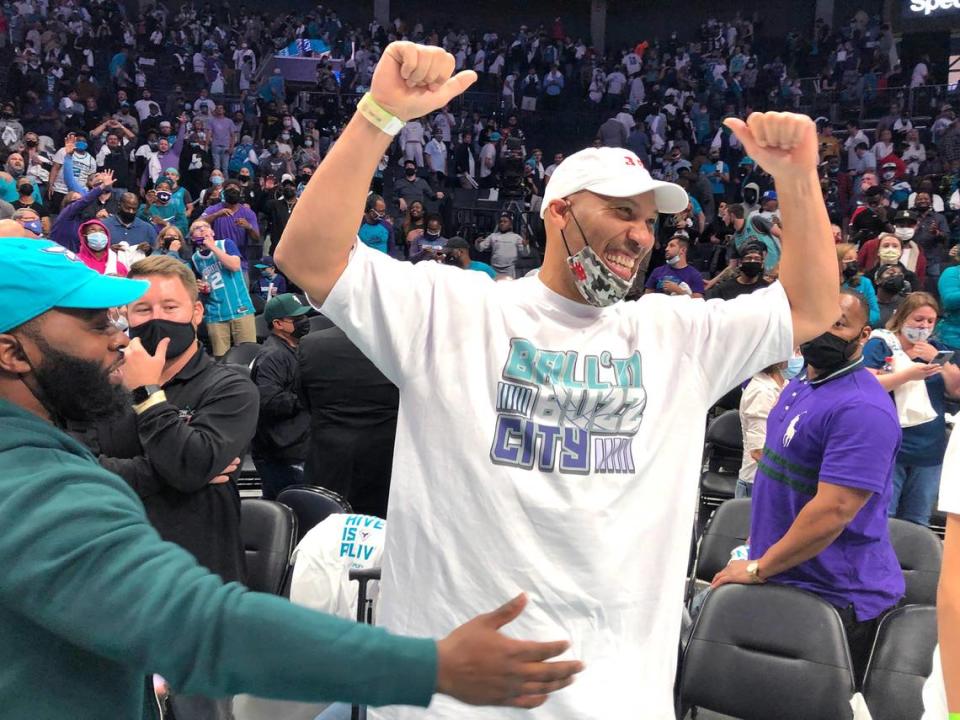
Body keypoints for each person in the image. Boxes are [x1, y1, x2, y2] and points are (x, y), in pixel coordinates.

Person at [275, 41, 839, 719]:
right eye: (620, 212)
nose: (639, 237)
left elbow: (810, 308)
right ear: (559, 212)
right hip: (456, 703)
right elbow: (307, 255)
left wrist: (799, 177)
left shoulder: (676, 334)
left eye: (649, 222)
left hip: (614, 698)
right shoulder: (458, 312)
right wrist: (380, 113)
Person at [0, 238, 582, 718]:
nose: (122, 334)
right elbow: (200, 625)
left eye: (124, 315)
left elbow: (176, 466)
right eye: (94, 322)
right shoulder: (35, 486)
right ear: (12, 353)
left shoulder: (217, 387)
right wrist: (432, 666)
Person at [713, 289, 905, 685]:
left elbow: (832, 512)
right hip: (783, 572)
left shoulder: (862, 409)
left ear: (863, 336)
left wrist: (757, 567)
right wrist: (757, 546)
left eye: (840, 324)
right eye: (820, 319)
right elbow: (781, 478)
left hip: (835, 595)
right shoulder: (800, 383)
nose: (825, 332)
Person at [863, 293, 960, 526]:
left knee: (918, 521)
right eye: (918, 319)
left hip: (928, 451)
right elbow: (865, 386)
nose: (924, 326)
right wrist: (907, 372)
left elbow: (956, 390)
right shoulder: (881, 343)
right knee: (883, 518)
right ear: (903, 317)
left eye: (930, 321)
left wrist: (940, 363)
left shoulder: (936, 349)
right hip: (890, 447)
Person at [298, 325, 400, 518]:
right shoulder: (398, 342)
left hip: (329, 456)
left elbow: (304, 398)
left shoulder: (311, 344)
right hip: (386, 456)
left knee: (328, 530)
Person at [251, 293, 312, 500]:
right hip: (282, 452)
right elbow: (268, 401)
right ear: (278, 324)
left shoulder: (294, 348)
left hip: (297, 444)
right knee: (291, 511)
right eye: (296, 320)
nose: (304, 322)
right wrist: (308, 395)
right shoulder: (273, 356)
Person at [189, 219, 257, 358]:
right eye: (197, 228)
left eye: (205, 226)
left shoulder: (226, 243)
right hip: (216, 314)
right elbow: (202, 284)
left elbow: (234, 266)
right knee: (221, 359)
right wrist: (203, 288)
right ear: (192, 237)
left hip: (240, 308)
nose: (202, 229)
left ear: (212, 232)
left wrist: (213, 247)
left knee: (249, 355)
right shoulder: (195, 259)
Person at [736, 358, 793, 498]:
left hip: (773, 479)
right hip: (757, 483)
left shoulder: (784, 385)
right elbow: (758, 452)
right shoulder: (761, 391)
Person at [201, 178, 262, 266]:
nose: (232, 189)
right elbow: (197, 222)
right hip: (217, 260)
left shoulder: (248, 212)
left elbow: (256, 238)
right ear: (223, 193)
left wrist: (249, 227)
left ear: (240, 193)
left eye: (235, 188)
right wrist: (216, 215)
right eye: (229, 188)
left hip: (240, 261)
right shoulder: (214, 209)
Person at [705, 242, 771, 301]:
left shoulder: (768, 289)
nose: (752, 261)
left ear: (762, 263)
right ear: (740, 263)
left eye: (757, 259)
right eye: (748, 258)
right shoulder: (722, 289)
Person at [838, 243, 880, 328]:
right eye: (849, 259)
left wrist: (855, 319)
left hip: (857, 327)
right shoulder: (826, 284)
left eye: (855, 259)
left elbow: (875, 314)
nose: (854, 262)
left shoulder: (865, 283)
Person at [728, 202, 780, 271]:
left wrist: (783, 261)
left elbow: (781, 235)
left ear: (732, 216)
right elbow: (732, 267)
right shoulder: (734, 239)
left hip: (775, 270)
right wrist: (712, 281)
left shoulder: (755, 221)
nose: (722, 219)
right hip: (755, 276)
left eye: (724, 215)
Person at [474, 212, 529, 278]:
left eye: (505, 221)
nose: (502, 223)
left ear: (510, 225)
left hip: (509, 270)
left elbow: (525, 254)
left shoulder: (516, 237)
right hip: (494, 269)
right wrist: (477, 242)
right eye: (500, 221)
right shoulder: (493, 236)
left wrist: (526, 246)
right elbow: (480, 248)